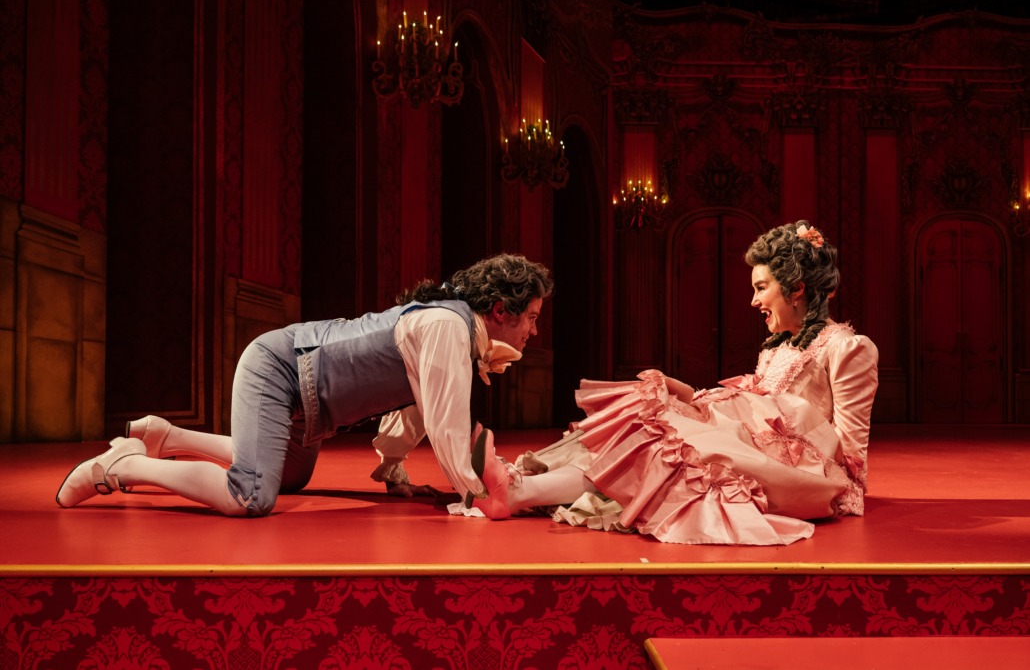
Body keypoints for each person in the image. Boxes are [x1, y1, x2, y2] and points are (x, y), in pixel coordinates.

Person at [469, 221, 878, 545]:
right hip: (753, 444)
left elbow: (850, 449)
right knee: (643, 412)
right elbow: (747, 406)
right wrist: (681, 391)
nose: (754, 301)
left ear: (797, 289)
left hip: (796, 469)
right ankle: (522, 480)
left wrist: (836, 496)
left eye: (761, 288)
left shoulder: (848, 347)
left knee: (658, 445)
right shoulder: (777, 347)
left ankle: (518, 490)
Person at [56, 253, 553, 516]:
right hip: (279, 371)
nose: (532, 330)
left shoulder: (456, 330)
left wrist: (395, 469)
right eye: (530, 317)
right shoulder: (449, 325)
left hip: (305, 402)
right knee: (250, 496)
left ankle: (169, 438)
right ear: (500, 310)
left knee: (289, 476)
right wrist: (473, 497)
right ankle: (124, 466)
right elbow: (448, 423)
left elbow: (418, 406)